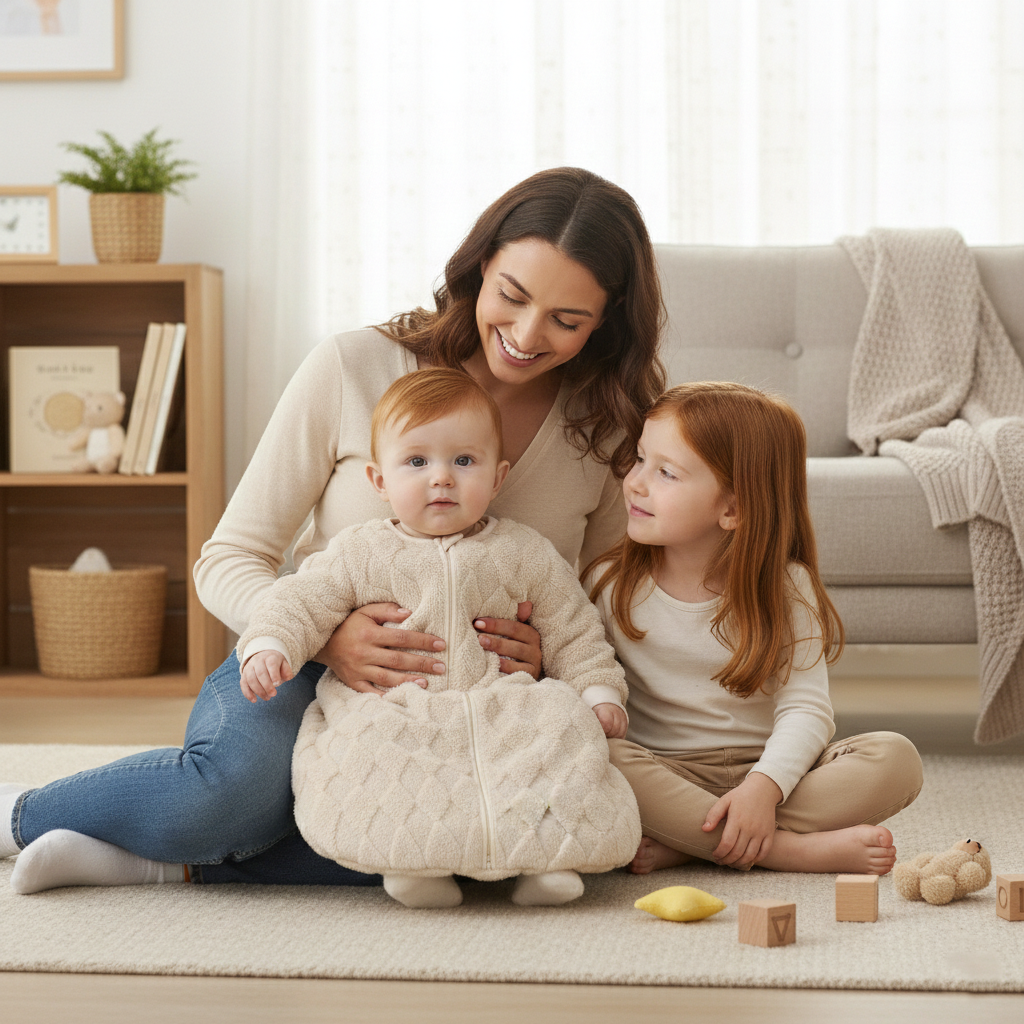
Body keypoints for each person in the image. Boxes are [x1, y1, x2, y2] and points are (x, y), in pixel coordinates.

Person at [2, 166, 665, 892]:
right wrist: (324, 637)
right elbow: (230, 556)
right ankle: (24, 818)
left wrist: (551, 656)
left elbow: (606, 593)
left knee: (486, 830)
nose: (527, 335)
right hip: (305, 659)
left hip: (485, 698)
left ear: (608, 318)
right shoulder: (356, 366)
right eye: (512, 296)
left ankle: (162, 862)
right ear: (481, 269)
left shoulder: (604, 424)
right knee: (238, 795)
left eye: (567, 321)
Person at [232, 367, 638, 908]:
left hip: (502, 702)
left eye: (464, 461)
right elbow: (299, 600)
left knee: (558, 727)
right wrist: (271, 645)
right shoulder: (361, 551)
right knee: (374, 749)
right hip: (397, 703)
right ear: (380, 481)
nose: (441, 478)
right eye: (417, 462)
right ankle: (413, 868)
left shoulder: (525, 552)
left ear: (497, 477)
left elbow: (574, 629)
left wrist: (598, 692)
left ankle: (548, 862)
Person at [583, 381, 924, 876]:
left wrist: (764, 787)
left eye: (666, 473)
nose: (635, 482)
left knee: (897, 759)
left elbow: (806, 708)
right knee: (598, 754)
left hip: (772, 771)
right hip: (663, 769)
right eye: (639, 460)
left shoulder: (787, 586)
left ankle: (694, 840)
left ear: (733, 509)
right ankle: (785, 850)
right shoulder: (609, 583)